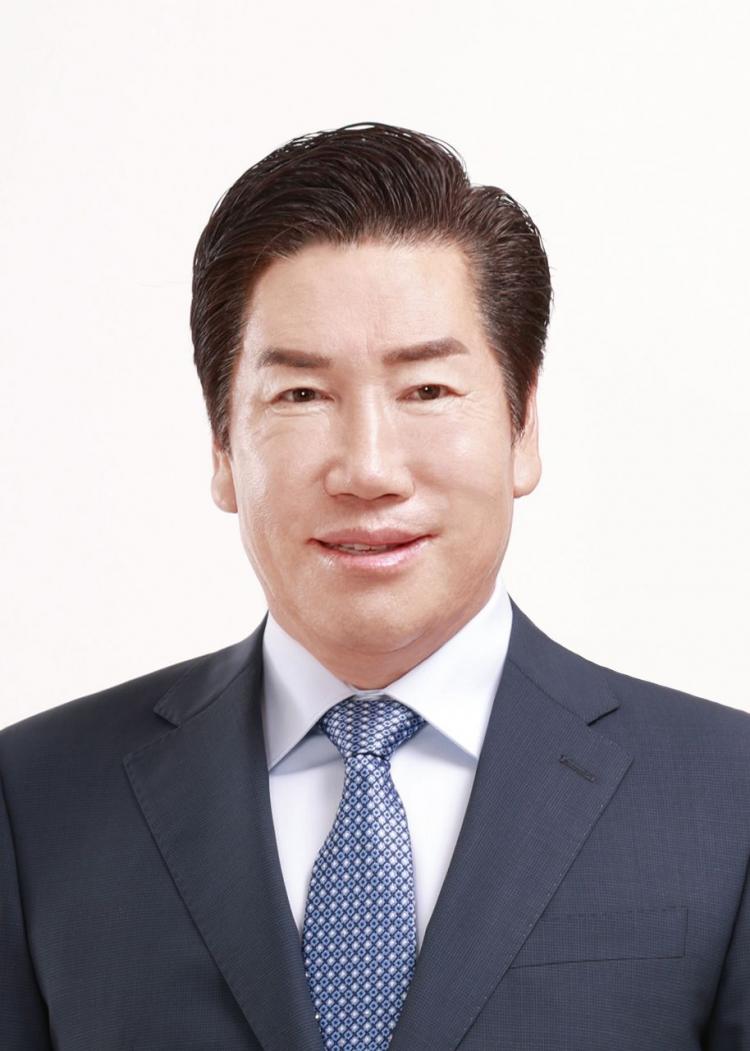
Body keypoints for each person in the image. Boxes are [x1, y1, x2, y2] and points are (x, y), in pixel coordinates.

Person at [1, 122, 747, 1051]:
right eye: (301, 395)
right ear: (223, 448)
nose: (368, 469)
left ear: (523, 428)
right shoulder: (35, 800)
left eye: (427, 390)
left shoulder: (728, 798)